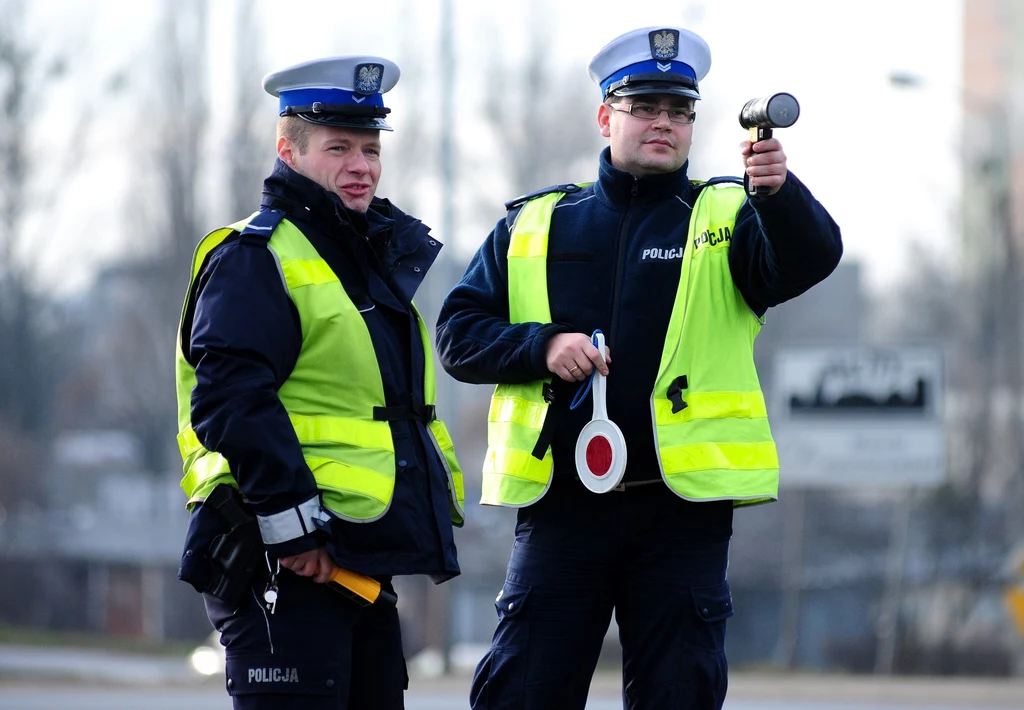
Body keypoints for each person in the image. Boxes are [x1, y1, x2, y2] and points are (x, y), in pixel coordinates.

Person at [436, 26, 842, 710]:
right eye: (645, 106)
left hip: (679, 516)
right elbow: (456, 333)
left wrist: (778, 194)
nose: (664, 122)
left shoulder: (730, 216)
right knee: (522, 695)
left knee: (678, 697)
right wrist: (540, 346)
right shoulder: (535, 224)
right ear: (605, 116)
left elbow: (810, 259)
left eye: (680, 110)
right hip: (562, 508)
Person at [173, 55, 465, 709]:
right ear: (289, 150)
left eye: (370, 148)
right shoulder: (256, 258)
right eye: (339, 148)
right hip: (287, 561)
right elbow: (228, 400)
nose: (362, 165)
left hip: (354, 557)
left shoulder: (359, 260)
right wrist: (293, 528)